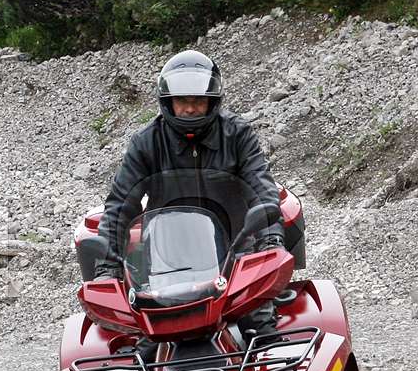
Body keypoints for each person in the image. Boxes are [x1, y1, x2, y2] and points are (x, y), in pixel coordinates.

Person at [96, 49, 284, 338]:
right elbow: (121, 205)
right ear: (169, 102)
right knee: (139, 345)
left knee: (262, 329)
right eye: (183, 101)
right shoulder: (146, 142)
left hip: (235, 251)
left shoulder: (237, 134)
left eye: (198, 101)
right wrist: (106, 268)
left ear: (212, 102)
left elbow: (262, 187)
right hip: (165, 261)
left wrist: (271, 238)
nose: (190, 109)